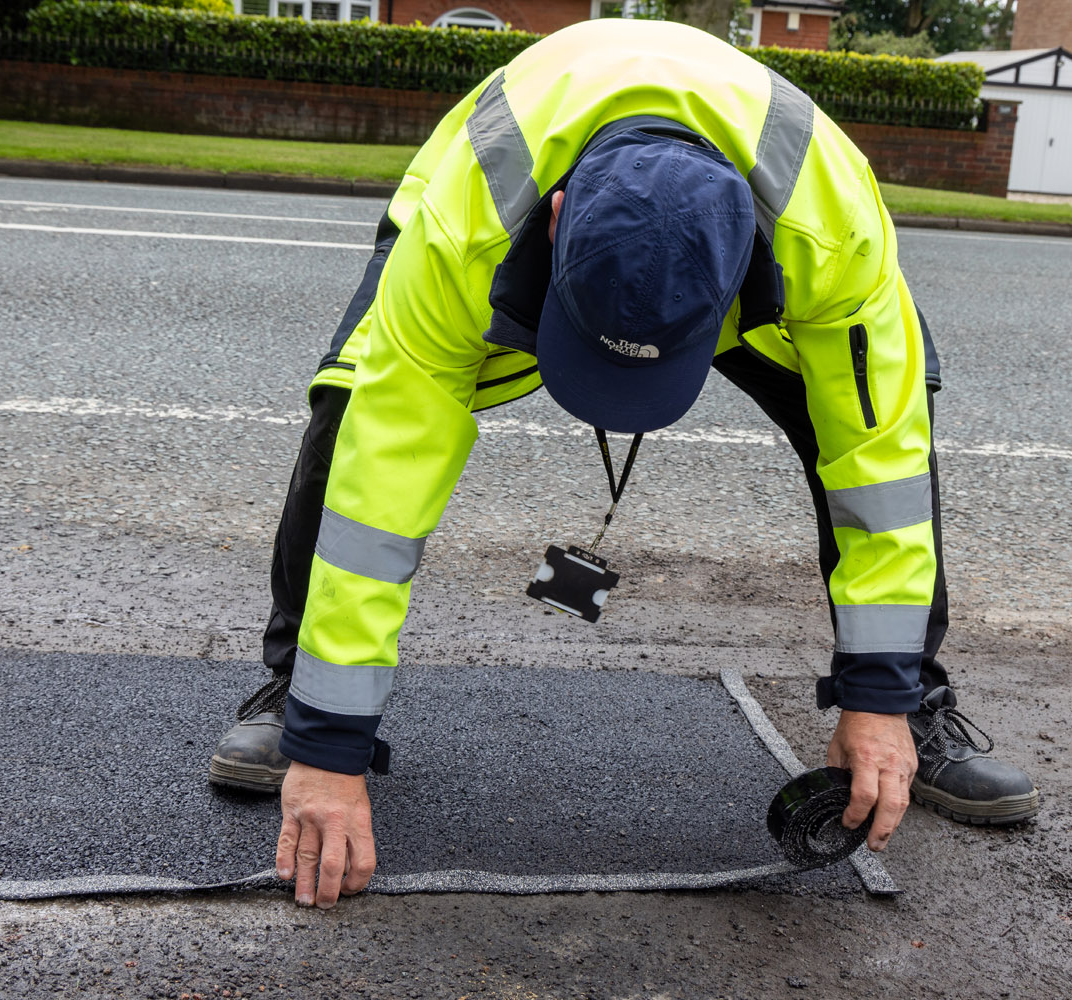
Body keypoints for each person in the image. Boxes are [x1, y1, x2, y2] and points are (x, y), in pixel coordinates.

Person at [208, 17, 1040, 908]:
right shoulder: (462, 231)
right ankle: (301, 689)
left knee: (882, 444)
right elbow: (382, 485)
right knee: (347, 418)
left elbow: (878, 466)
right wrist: (329, 750)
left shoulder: (831, 239)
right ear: (561, 220)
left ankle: (906, 704)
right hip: (501, 229)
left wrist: (873, 694)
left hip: (770, 253)